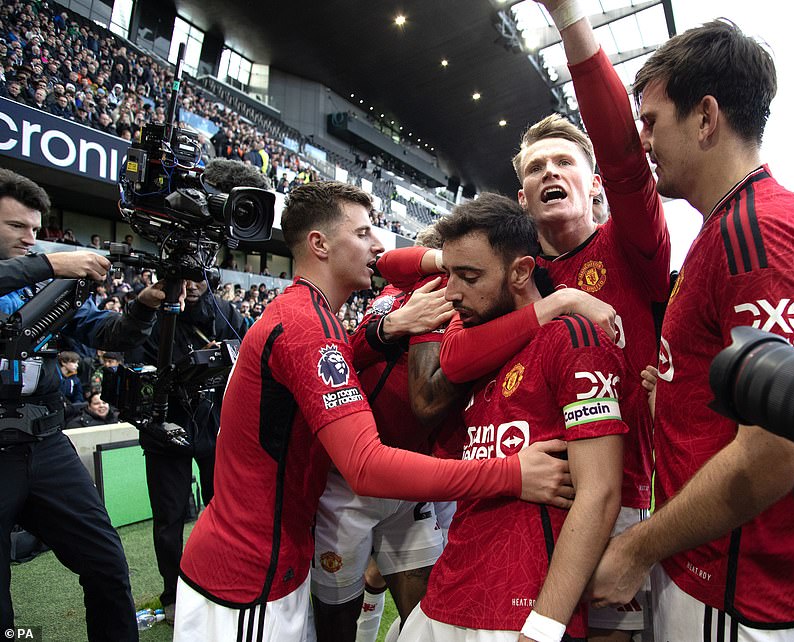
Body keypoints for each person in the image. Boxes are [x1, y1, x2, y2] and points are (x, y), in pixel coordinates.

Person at [174, 181, 573, 642]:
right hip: (249, 575)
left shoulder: (311, 315)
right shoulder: (309, 328)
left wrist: (391, 321)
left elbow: (387, 282)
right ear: (320, 244)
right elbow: (365, 465)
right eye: (364, 233)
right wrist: (510, 473)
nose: (378, 244)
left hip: (268, 560)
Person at [583, 19, 794, 641]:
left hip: (730, 582)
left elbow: (776, 452)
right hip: (704, 566)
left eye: (651, 121)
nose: (642, 140)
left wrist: (636, 547)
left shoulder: (760, 237)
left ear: (705, 117)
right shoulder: (725, 226)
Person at [399, 193, 629, 641]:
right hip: (446, 594)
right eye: (448, 274)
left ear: (521, 270)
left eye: (469, 277)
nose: (451, 293)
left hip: (517, 610)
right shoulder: (477, 344)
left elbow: (600, 492)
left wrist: (543, 626)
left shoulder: (574, 338)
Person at [0, 168, 173, 641]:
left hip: (46, 444)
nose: (31, 239)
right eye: (17, 227)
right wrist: (52, 263)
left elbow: (108, 335)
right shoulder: (42, 270)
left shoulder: (41, 284)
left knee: (107, 563)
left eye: (36, 230)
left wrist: (143, 304)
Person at [124, 158, 267, 626]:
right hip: (164, 419)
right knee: (168, 520)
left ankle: (216, 581)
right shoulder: (151, 302)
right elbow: (131, 343)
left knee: (220, 507)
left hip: (212, 417)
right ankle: (171, 593)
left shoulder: (218, 304)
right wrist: (165, 296)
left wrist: (201, 291)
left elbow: (239, 338)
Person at [311, 232, 459, 641]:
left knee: (426, 615)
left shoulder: (461, 296)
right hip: (348, 477)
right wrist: (392, 326)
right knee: (335, 614)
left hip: (411, 477)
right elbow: (348, 355)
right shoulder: (390, 294)